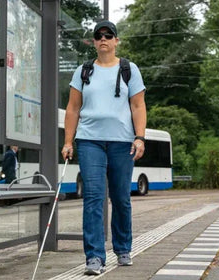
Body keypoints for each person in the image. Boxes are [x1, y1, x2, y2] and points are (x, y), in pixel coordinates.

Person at [61, 20, 146, 276]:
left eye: (109, 35)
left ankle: (122, 248)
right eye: (99, 36)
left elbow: (138, 106)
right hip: (90, 142)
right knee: (93, 198)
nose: (104, 39)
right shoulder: (83, 71)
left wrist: (139, 137)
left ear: (116, 40)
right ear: (94, 42)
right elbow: (73, 108)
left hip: (122, 142)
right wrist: (68, 141)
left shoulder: (129, 69)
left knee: (121, 198)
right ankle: (95, 257)